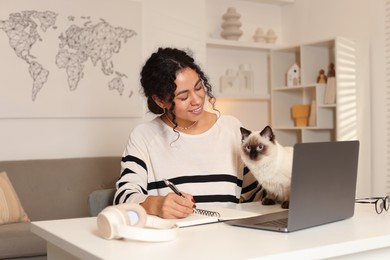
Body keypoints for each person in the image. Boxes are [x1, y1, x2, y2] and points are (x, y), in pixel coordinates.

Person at [114, 47, 262, 219]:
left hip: (228, 239)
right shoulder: (144, 136)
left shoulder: (232, 128)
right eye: (183, 97)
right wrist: (156, 204)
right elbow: (123, 196)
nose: (197, 100)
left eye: (199, 87)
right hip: (174, 240)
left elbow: (255, 194)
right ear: (160, 100)